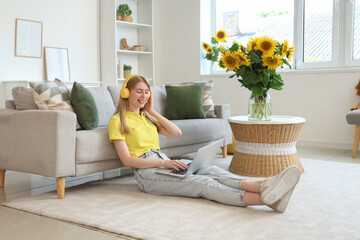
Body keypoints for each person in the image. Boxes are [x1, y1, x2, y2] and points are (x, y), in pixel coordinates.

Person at [108, 74, 301, 213]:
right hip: (147, 175)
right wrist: (164, 163)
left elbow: (176, 132)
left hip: (163, 164)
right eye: (139, 92)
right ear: (126, 93)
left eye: (147, 92)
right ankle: (265, 199)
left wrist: (152, 111)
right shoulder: (118, 121)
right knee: (202, 183)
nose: (144, 96)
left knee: (211, 171)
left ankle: (265, 185)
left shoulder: (147, 118)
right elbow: (127, 160)